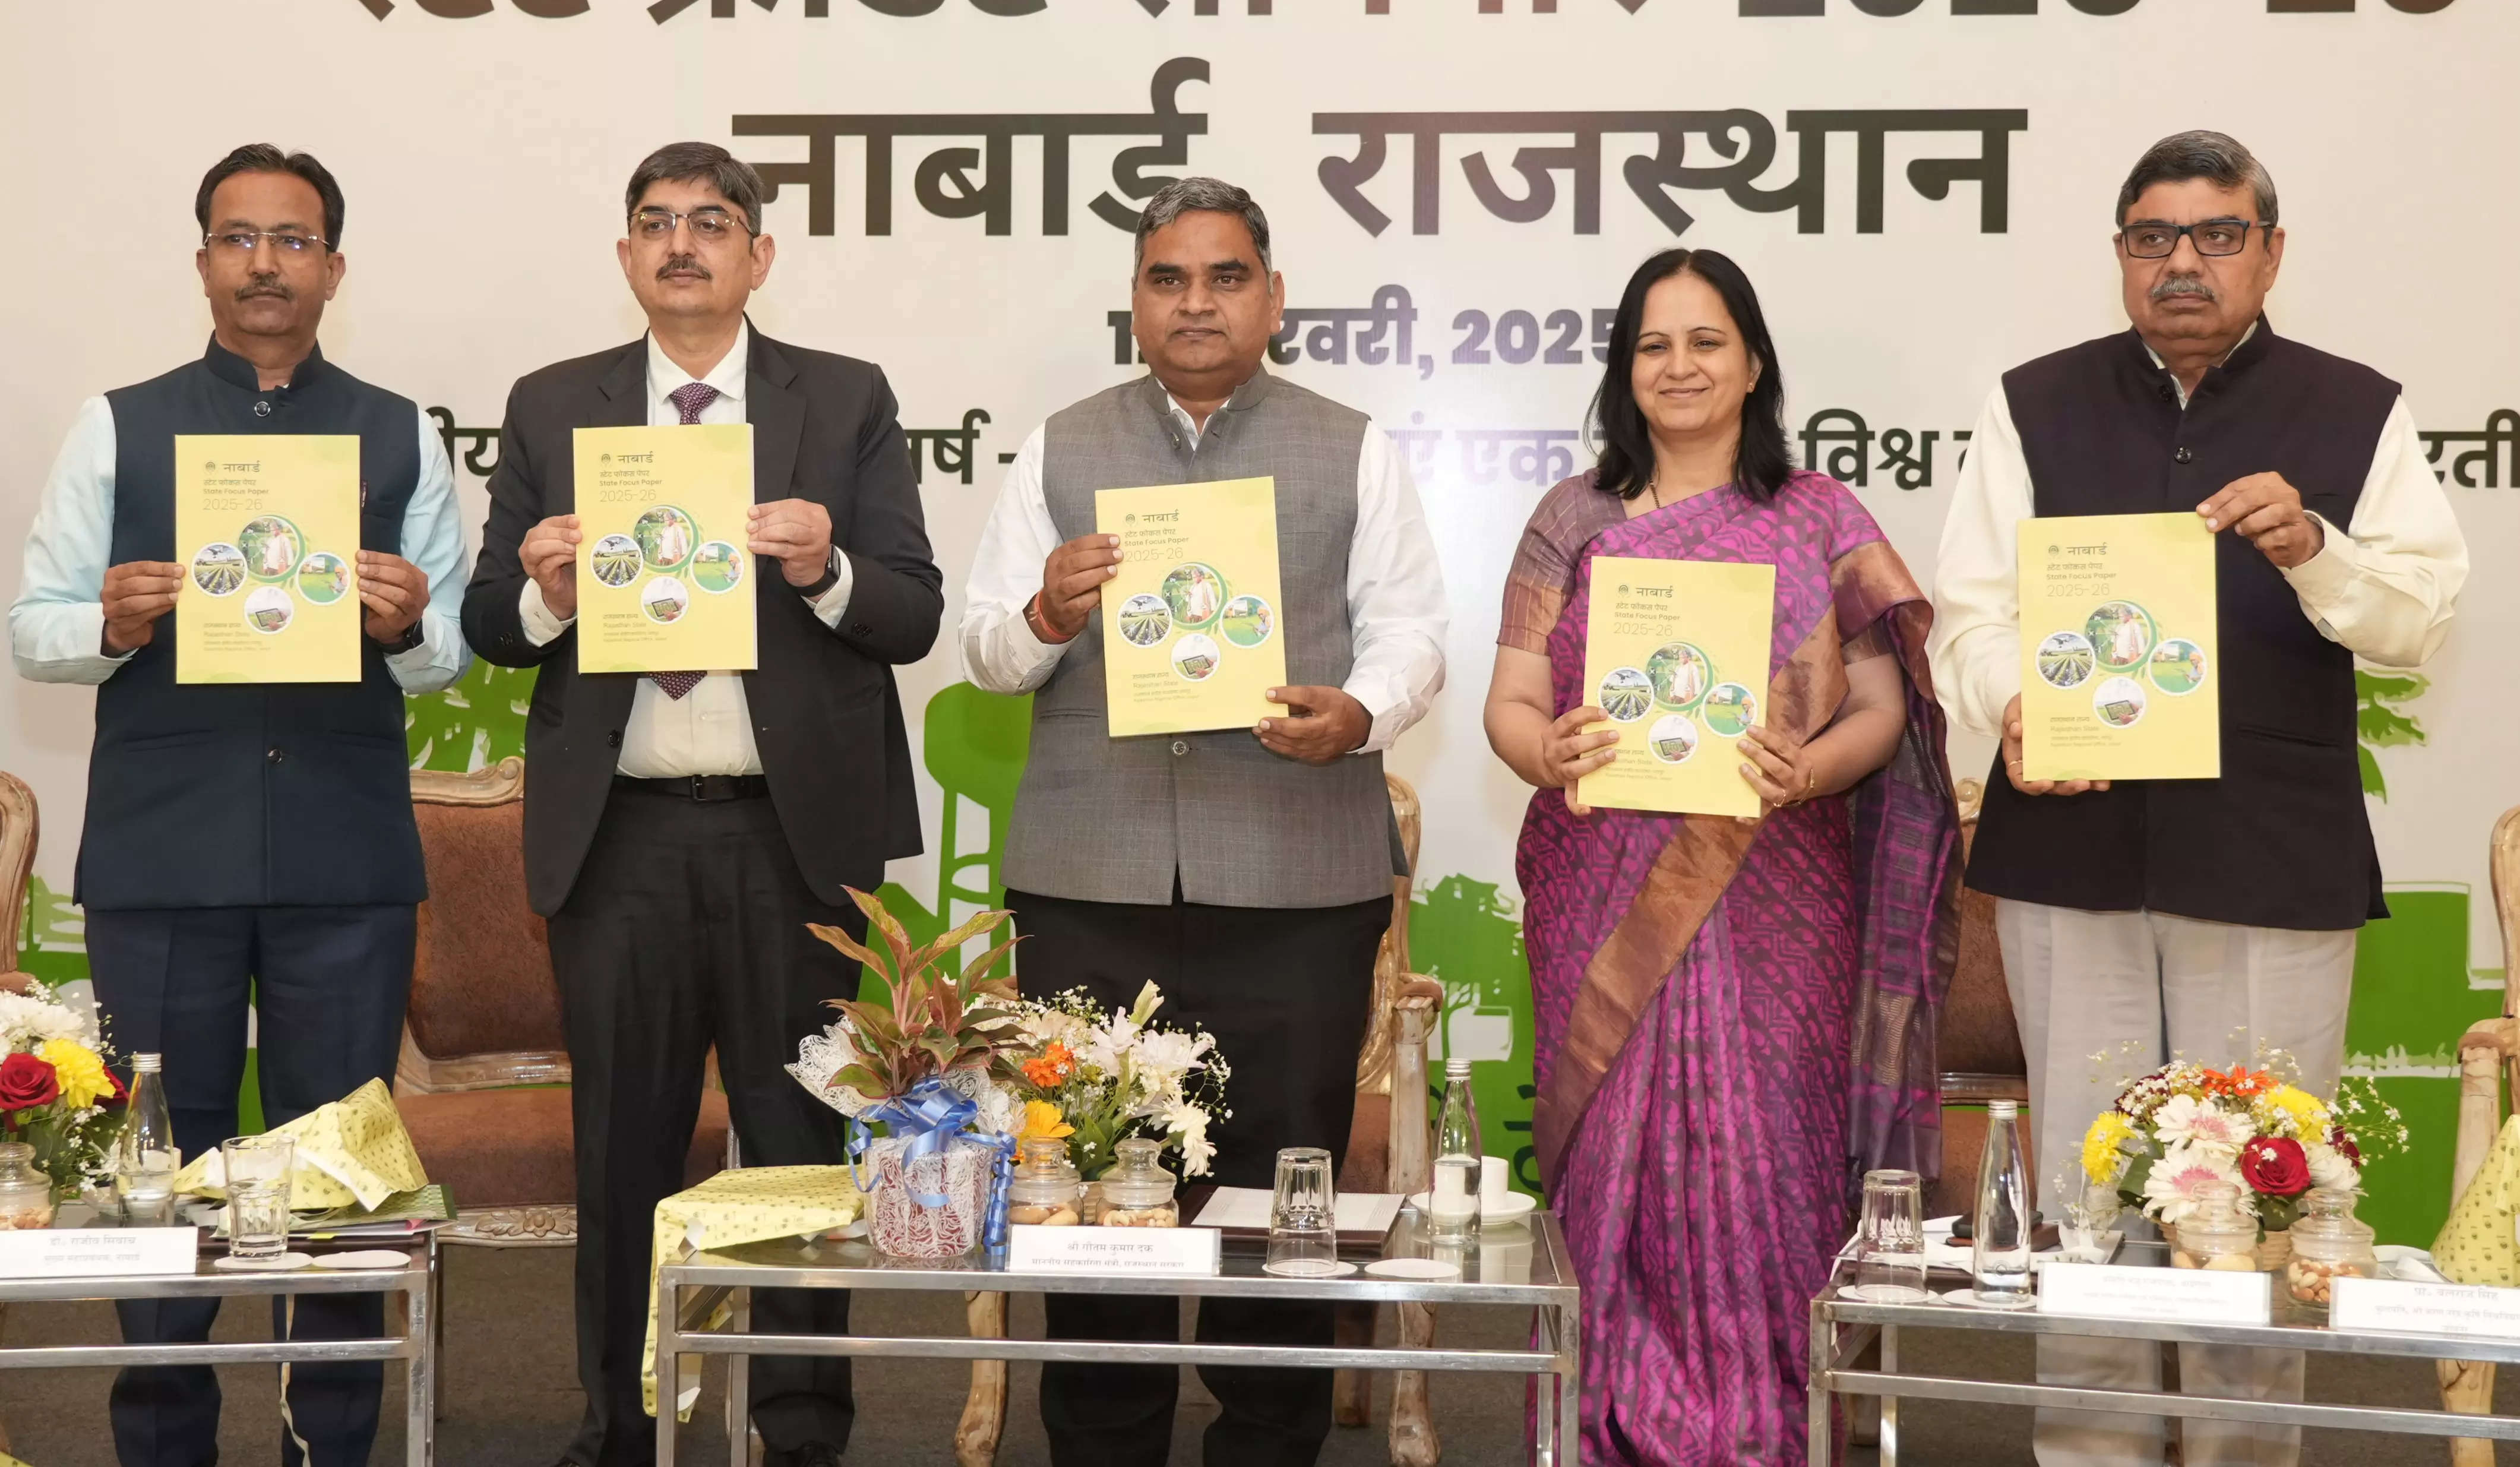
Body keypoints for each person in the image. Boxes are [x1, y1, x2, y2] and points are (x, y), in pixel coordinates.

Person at [1928, 131, 2468, 1467]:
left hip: (2268, 859)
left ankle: (2246, 1453)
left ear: (2270, 253)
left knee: (2258, 1191)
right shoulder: (2033, 404)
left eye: (2215, 235)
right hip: (2074, 844)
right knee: (2088, 1199)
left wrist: (2316, 548)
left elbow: (2419, 621)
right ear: (2118, 256)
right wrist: (2011, 707)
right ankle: (2089, 1451)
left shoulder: (2354, 410)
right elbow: (1969, 615)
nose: (2182, 262)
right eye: (2151, 237)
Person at [460, 142, 941, 1467]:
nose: (683, 244)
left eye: (712, 223)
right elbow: (489, 623)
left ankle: (799, 1427)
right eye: (656, 224)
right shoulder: (556, 406)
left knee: (797, 1143)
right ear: (626, 257)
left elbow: (910, 611)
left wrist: (824, 563)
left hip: (795, 841)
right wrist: (551, 589)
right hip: (619, 837)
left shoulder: (840, 402)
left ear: (758, 257)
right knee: (622, 1145)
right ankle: (619, 1421)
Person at [960, 176, 1447, 1467]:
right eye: (1169, 279)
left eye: (1225, 277)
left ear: (1271, 298)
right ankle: (1102, 1444)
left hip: (1295, 883)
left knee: (1278, 1213)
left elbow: (1412, 632)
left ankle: (1270, 1442)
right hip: (1089, 886)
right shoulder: (1061, 446)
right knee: (1090, 1204)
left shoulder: (1352, 445)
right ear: (1135, 304)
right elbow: (985, 652)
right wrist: (1050, 615)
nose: (1196, 302)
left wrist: (1359, 711)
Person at [8, 143, 471, 1467]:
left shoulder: (397, 429)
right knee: (159, 1180)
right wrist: (107, 615)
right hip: (164, 857)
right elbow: (34, 627)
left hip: (344, 854)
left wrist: (410, 621)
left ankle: (328, 1444)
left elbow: (446, 651)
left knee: (340, 1181)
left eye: (292, 239)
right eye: (237, 237)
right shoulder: (117, 421)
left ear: (333, 264)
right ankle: (166, 1447)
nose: (265, 263)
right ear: (203, 257)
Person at [1482, 246, 1959, 1464]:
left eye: (1706, 341)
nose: (1680, 365)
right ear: (1622, 371)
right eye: (1653, 345)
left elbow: (1878, 707)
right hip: (1601, 884)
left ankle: (1767, 1425)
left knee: (1775, 1158)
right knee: (1611, 1167)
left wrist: (1809, 768)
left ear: (1752, 362)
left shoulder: (1821, 517)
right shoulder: (1570, 519)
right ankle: (1612, 1423)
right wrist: (1551, 752)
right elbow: (1512, 701)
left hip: (1777, 895)